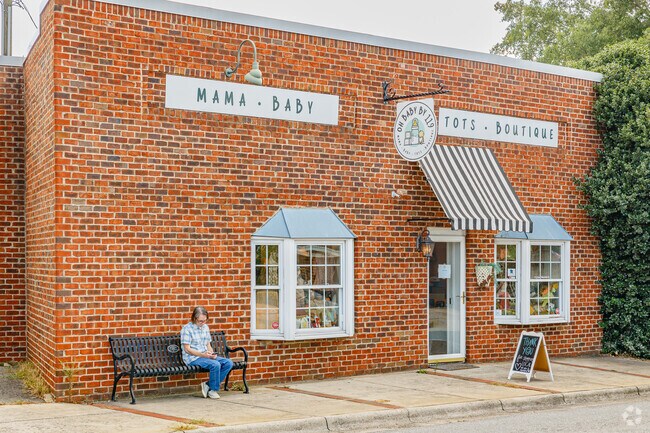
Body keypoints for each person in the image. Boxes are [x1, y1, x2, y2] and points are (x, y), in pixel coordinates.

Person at [180, 306, 233, 399]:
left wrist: (211, 354)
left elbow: (208, 344)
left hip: (205, 356)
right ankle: (213, 390)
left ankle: (208, 385)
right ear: (194, 318)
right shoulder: (186, 329)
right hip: (192, 358)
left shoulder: (205, 327)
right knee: (215, 364)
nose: (203, 323)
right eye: (201, 321)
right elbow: (187, 349)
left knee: (228, 363)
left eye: (205, 320)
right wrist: (203, 355)